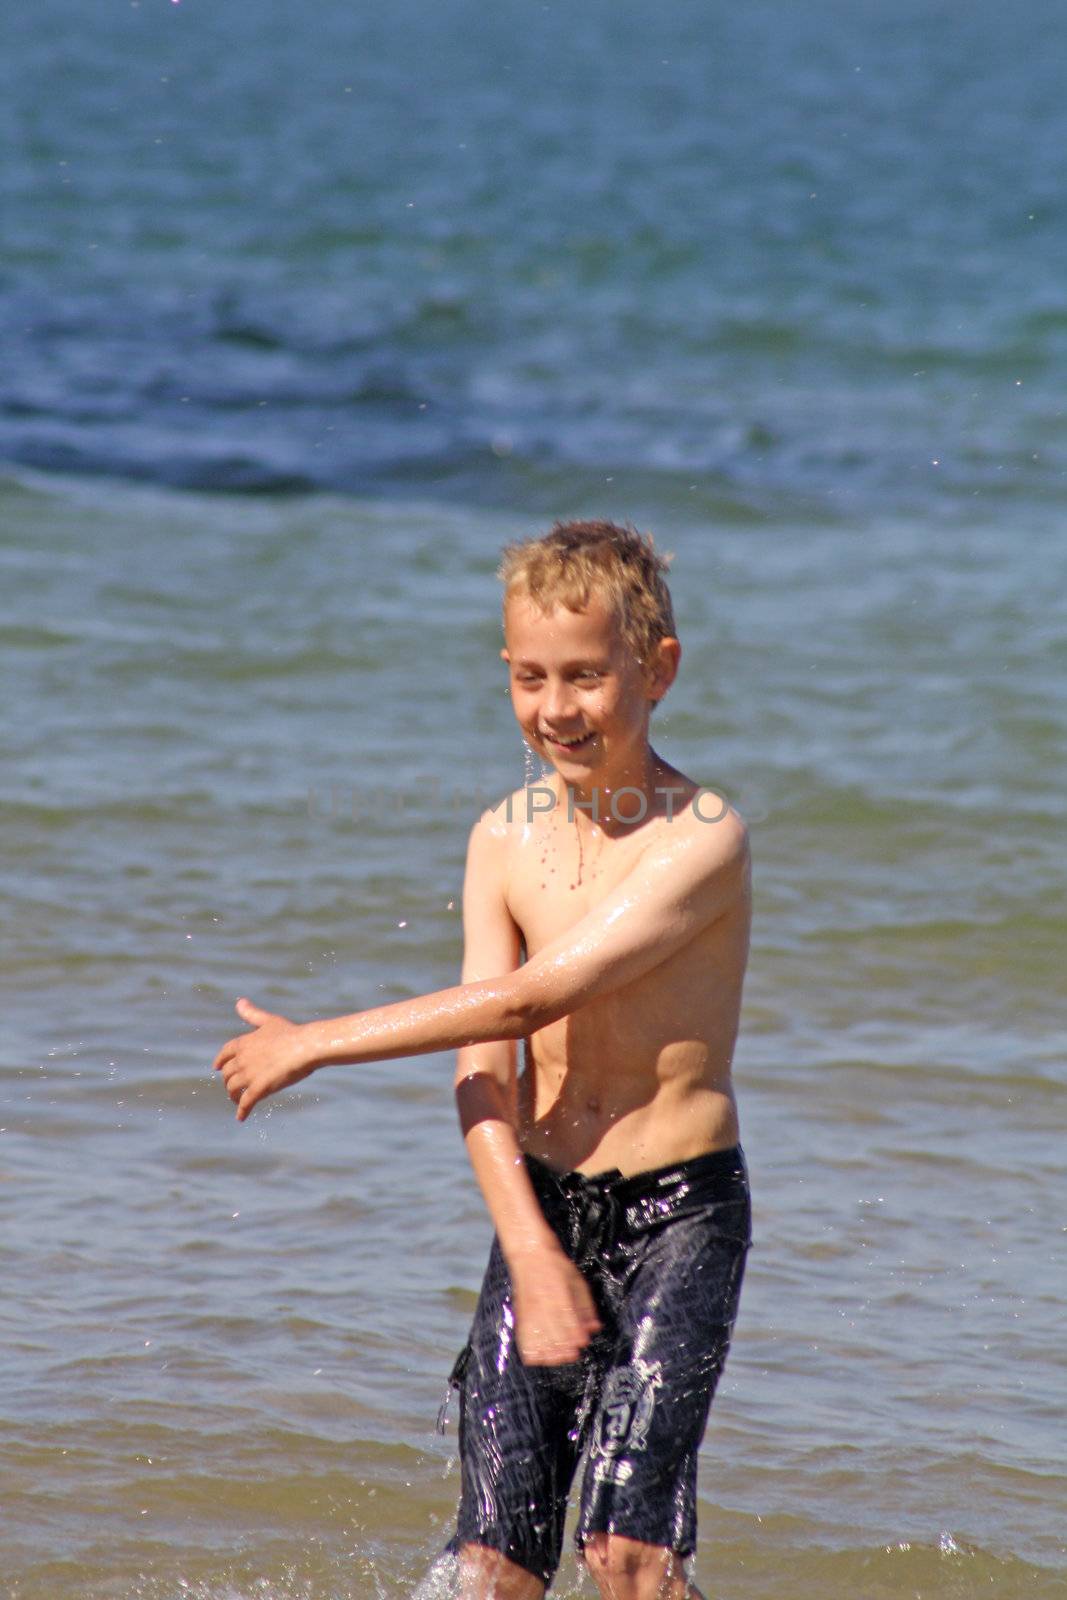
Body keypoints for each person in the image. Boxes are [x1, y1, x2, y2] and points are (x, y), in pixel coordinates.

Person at [214, 520, 752, 1600]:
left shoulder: (700, 837)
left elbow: (534, 993)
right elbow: (485, 1064)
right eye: (530, 677)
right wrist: (532, 1247)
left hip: (679, 1218)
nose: (556, 707)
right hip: (538, 1204)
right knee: (495, 1564)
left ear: (657, 668)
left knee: (626, 1553)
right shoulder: (499, 840)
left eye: (588, 676)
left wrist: (316, 1040)